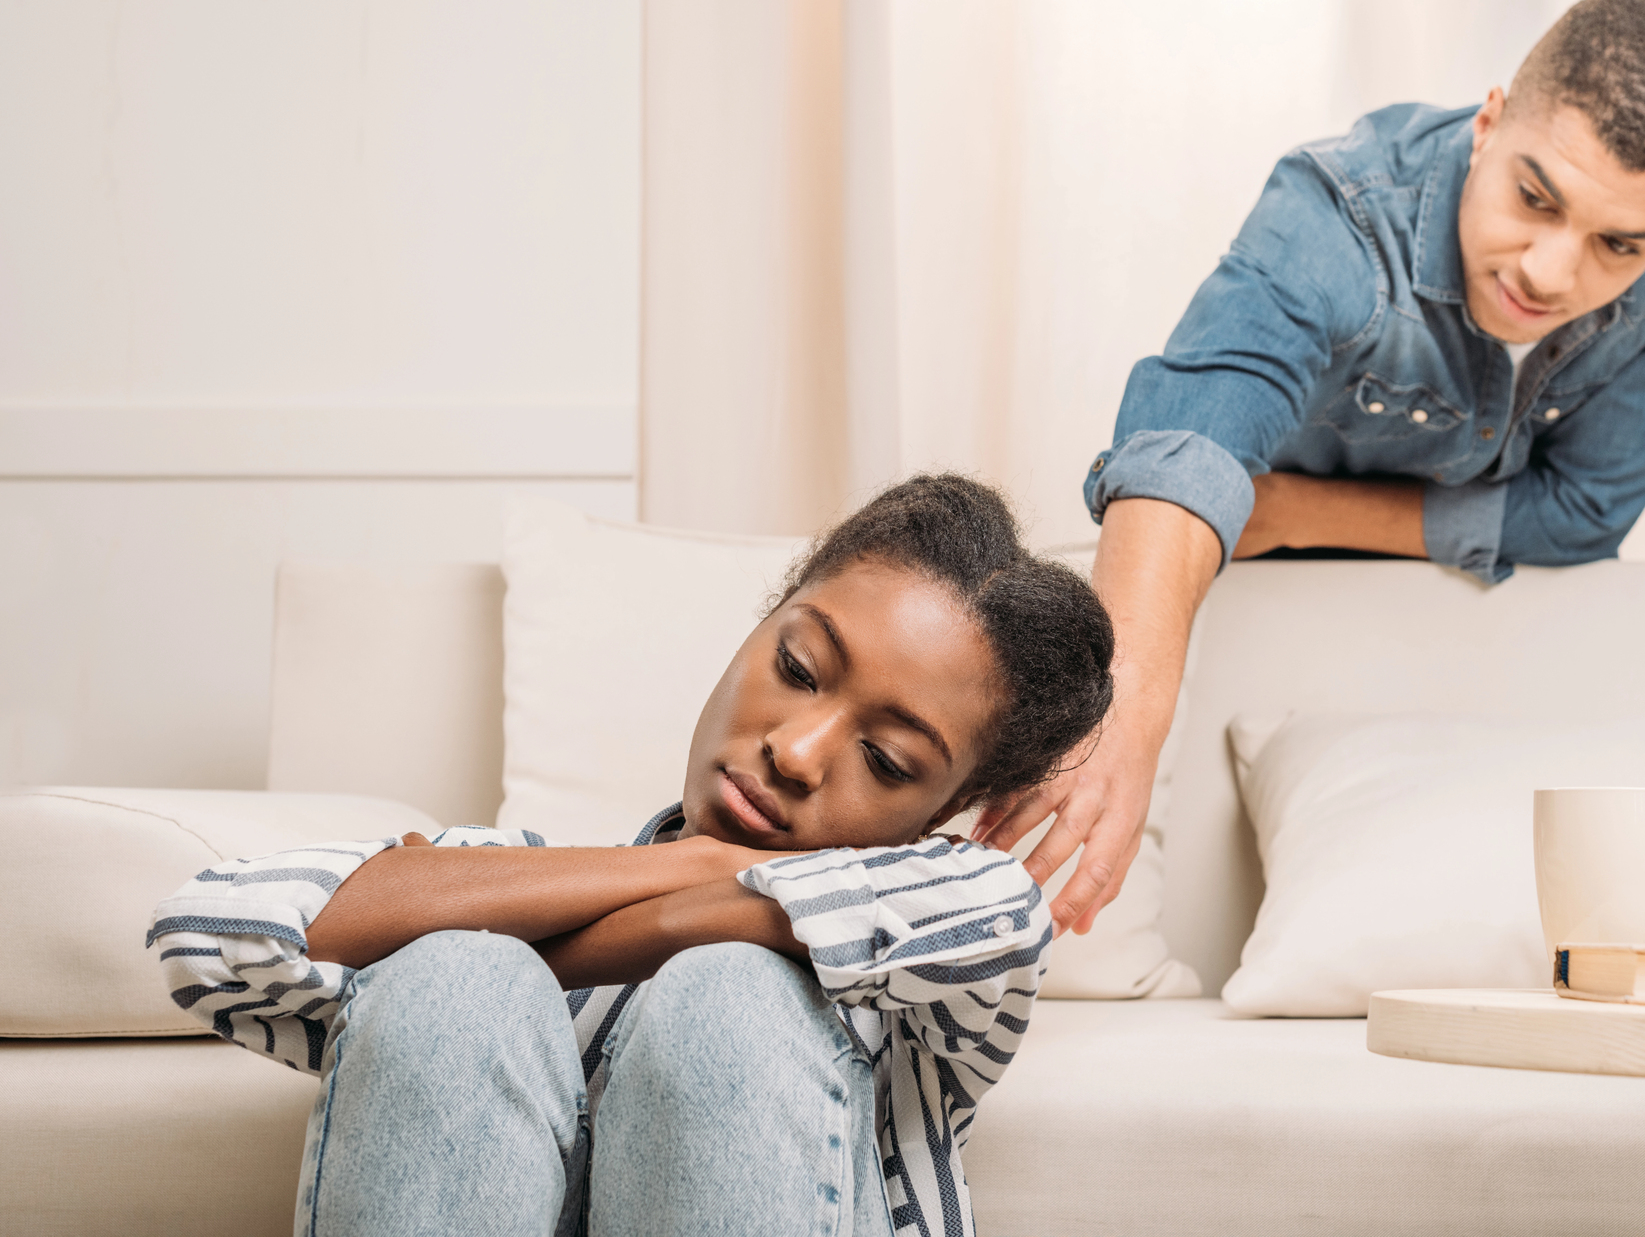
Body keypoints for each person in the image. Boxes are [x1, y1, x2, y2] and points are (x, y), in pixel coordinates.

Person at [148, 474, 1115, 1237]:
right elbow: (203, 930)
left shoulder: (935, 947)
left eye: (886, 759)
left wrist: (476, 916)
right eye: (797, 668)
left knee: (727, 994)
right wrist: (695, 867)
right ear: (756, 628)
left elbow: (1000, 904)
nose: (797, 750)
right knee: (456, 977)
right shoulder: (522, 876)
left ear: (948, 811)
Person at [976, 0, 1645, 937]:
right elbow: (1186, 447)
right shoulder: (1335, 217)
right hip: (1250, 609)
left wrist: (1298, 510)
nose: (1550, 273)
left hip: (1455, 657)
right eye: (1533, 198)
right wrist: (1120, 711)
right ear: (1489, 122)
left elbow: (1583, 511)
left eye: (1619, 245)